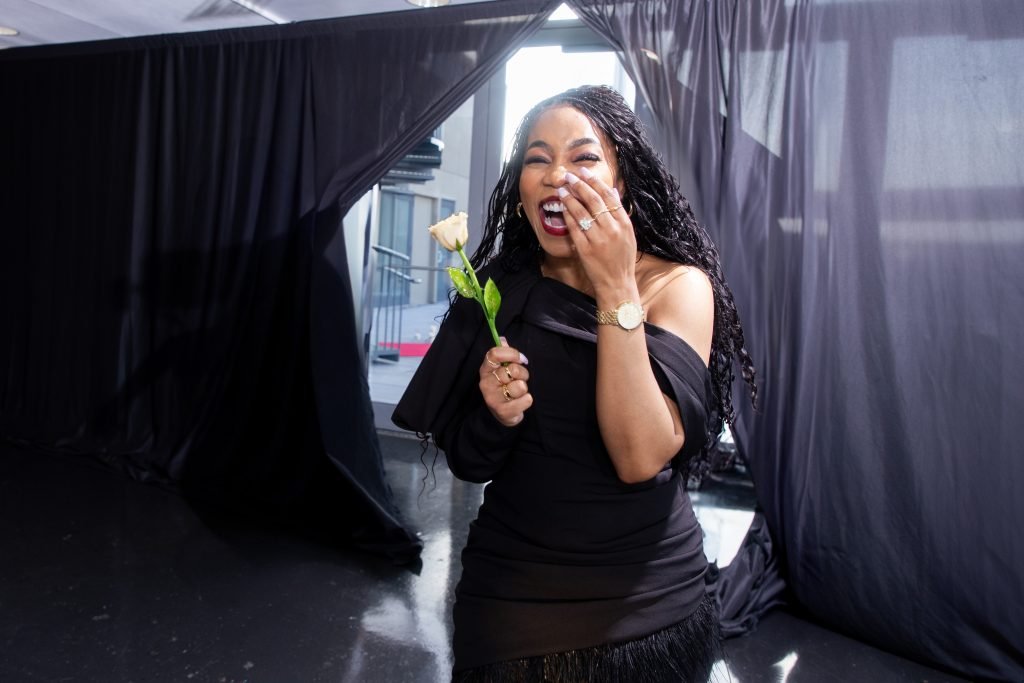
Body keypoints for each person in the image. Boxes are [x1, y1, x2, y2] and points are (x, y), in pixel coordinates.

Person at [393, 85, 756, 682]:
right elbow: (470, 462)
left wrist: (615, 286)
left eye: (584, 157)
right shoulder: (497, 293)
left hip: (648, 603)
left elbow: (640, 456)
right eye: (537, 159)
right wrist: (495, 417)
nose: (557, 174)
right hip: (512, 599)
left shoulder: (676, 286)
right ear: (521, 193)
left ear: (623, 185)